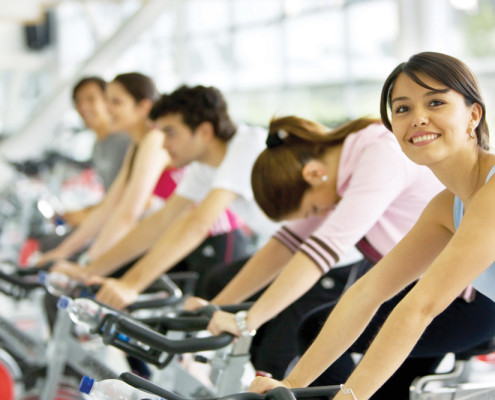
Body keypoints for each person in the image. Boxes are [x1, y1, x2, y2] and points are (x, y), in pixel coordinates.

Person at [248, 51, 495, 400]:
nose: (418, 118)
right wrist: (292, 384)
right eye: (403, 108)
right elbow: (368, 293)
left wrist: (349, 397)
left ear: (473, 114)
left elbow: (420, 306)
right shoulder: (446, 207)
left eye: (436, 102)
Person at [185, 114, 444, 381]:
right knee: (315, 331)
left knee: (314, 332)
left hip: (458, 295)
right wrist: (219, 307)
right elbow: (285, 244)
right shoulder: (344, 159)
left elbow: (323, 249)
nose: (320, 214)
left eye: (314, 209)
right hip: (420, 289)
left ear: (313, 174)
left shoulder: (380, 155)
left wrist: (246, 321)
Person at [55, 85, 277, 308]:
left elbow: (197, 224)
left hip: (295, 249)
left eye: (170, 133)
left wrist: (131, 285)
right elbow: (161, 220)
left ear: (205, 132)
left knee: (218, 301)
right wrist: (90, 270)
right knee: (213, 294)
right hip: (286, 246)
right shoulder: (203, 167)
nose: (163, 144)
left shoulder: (247, 145)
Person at [37, 72, 169, 265]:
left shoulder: (154, 140)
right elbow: (110, 204)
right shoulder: (136, 145)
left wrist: (89, 261)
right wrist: (62, 252)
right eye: (107, 101)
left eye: (116, 102)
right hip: (149, 239)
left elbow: (127, 212)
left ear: (143, 107)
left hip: (174, 242)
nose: (106, 108)